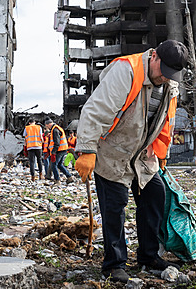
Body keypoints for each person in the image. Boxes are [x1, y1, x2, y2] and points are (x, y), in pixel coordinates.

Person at [75, 40, 188, 283]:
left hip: (143, 155)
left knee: (155, 197)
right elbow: (96, 110)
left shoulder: (170, 84)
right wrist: (86, 150)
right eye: (163, 71)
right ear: (154, 56)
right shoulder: (126, 70)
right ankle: (114, 264)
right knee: (114, 208)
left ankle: (148, 257)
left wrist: (161, 154)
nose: (165, 78)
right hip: (112, 152)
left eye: (171, 74)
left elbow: (167, 122)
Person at [45, 118, 72, 185]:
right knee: (59, 165)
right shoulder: (56, 128)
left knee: (53, 165)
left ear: (48, 124)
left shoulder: (55, 130)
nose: (47, 127)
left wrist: (53, 152)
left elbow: (57, 142)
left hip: (59, 150)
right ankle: (69, 177)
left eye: (46, 126)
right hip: (63, 149)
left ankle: (57, 180)